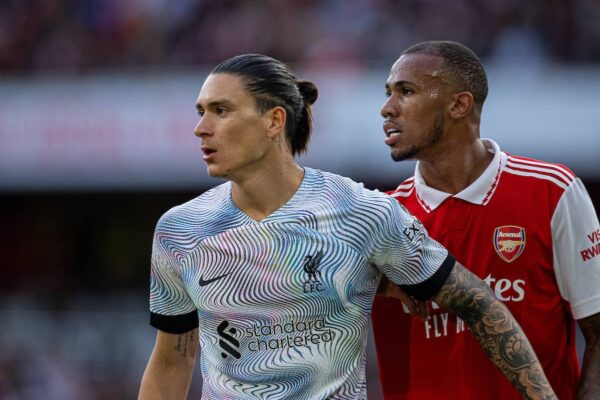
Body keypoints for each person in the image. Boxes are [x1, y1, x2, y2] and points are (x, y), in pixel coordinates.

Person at [138, 53, 556, 400]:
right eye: (200, 112)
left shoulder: (362, 212)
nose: (200, 128)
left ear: (273, 121)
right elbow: (173, 359)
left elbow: (480, 303)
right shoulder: (180, 230)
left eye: (221, 111)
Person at [372, 40, 600, 400]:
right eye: (388, 93)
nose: (387, 108)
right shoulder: (377, 218)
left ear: (459, 104)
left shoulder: (551, 192)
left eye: (406, 91)